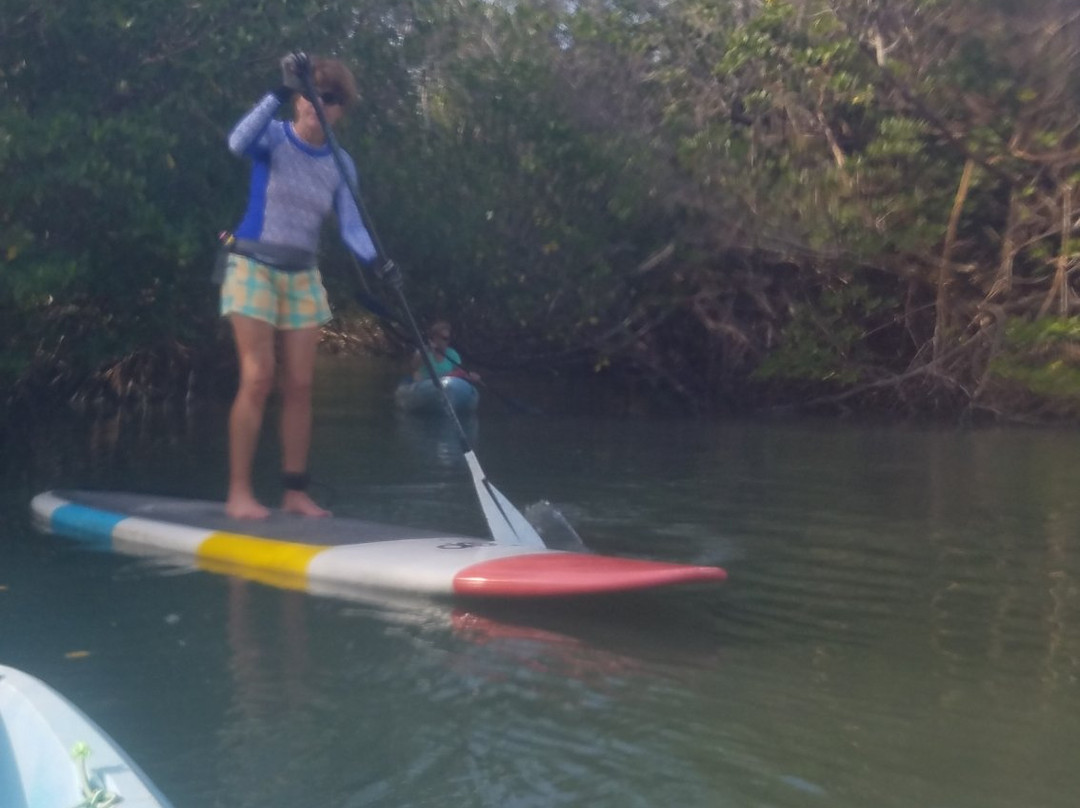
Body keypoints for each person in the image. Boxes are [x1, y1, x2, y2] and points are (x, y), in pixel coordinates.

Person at [219, 52, 381, 519]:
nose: (318, 104)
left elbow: (351, 228)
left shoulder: (343, 164)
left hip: (303, 274)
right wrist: (280, 88)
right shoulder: (272, 136)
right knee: (258, 377)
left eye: (329, 99)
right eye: (311, 95)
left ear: (340, 111)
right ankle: (239, 493)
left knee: (301, 384)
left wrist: (378, 261)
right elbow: (236, 142)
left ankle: (294, 491)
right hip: (253, 267)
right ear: (299, 101)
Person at [410, 320, 481, 383]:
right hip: (425, 386)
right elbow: (414, 367)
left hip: (445, 386)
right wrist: (427, 350)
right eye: (444, 338)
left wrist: (470, 376)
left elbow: (460, 373)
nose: (447, 341)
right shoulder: (423, 351)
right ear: (435, 337)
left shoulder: (452, 354)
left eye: (448, 338)